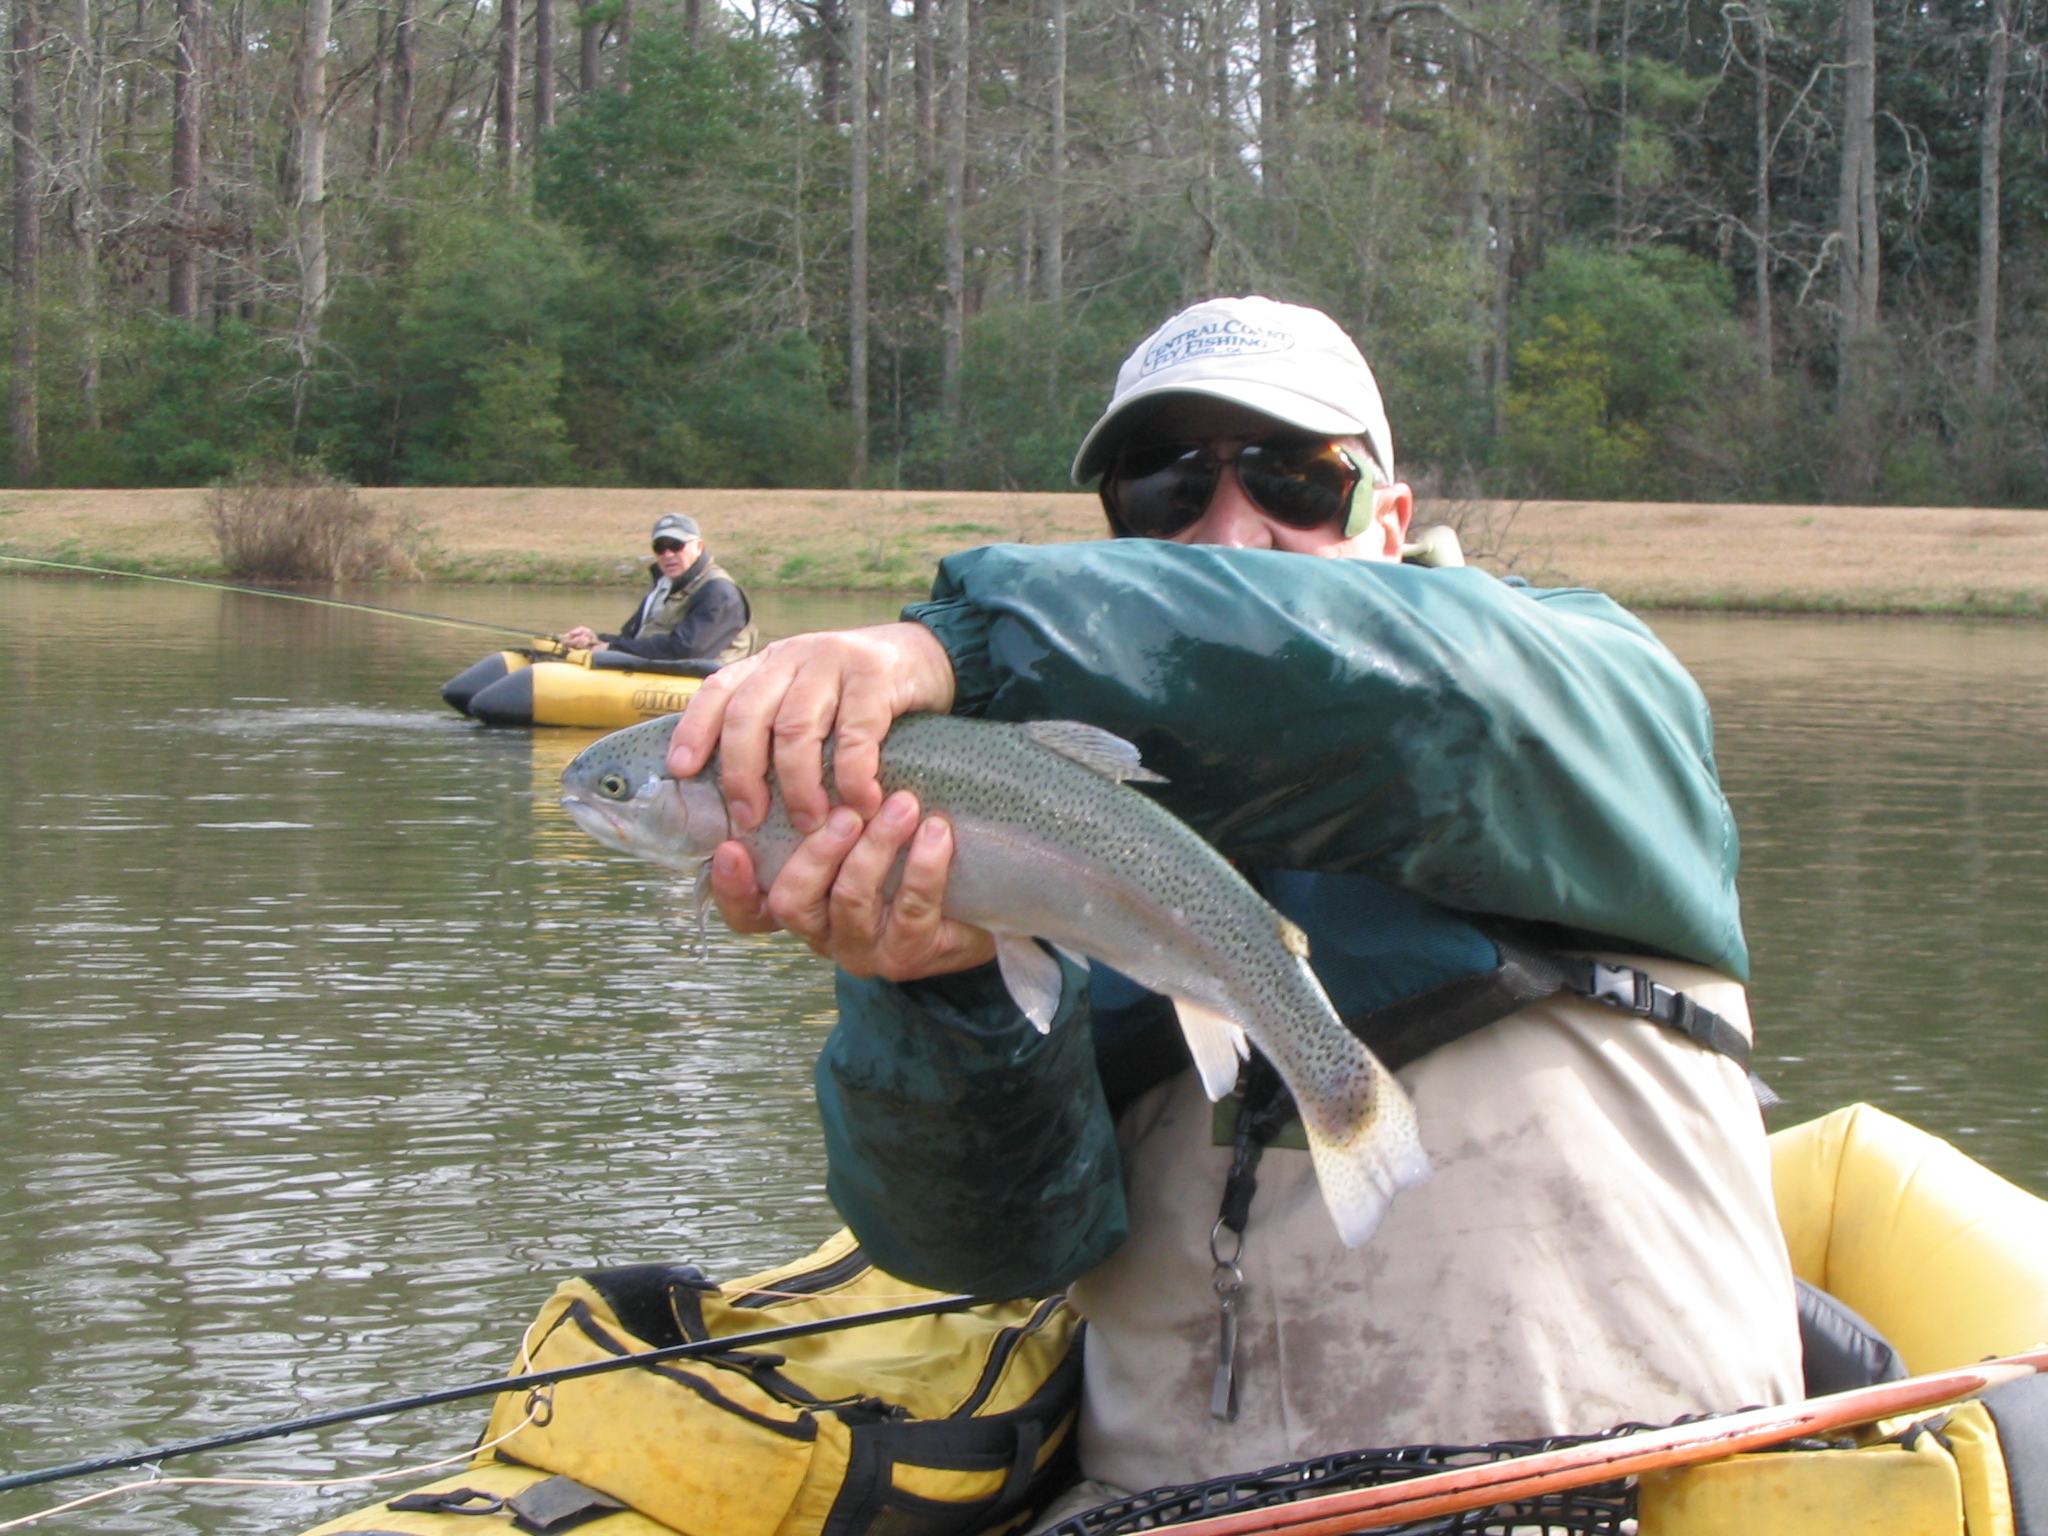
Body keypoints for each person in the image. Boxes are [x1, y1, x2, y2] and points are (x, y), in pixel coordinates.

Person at [664, 297, 1803, 1514]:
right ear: (1117, 533)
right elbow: (991, 1250)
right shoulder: (1036, 817)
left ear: (1391, 515)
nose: (1229, 528)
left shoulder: (1580, 691)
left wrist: (968, 646)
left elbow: (1410, 684)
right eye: (1165, 488)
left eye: (1294, 476)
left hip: (1634, 1484)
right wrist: (938, 990)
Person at [562, 513, 758, 664]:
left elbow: (687, 650)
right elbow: (633, 639)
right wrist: (595, 639)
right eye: (660, 548)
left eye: (676, 545)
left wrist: (612, 648)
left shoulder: (719, 592)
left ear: (699, 547)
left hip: (702, 689)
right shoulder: (664, 587)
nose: (668, 554)